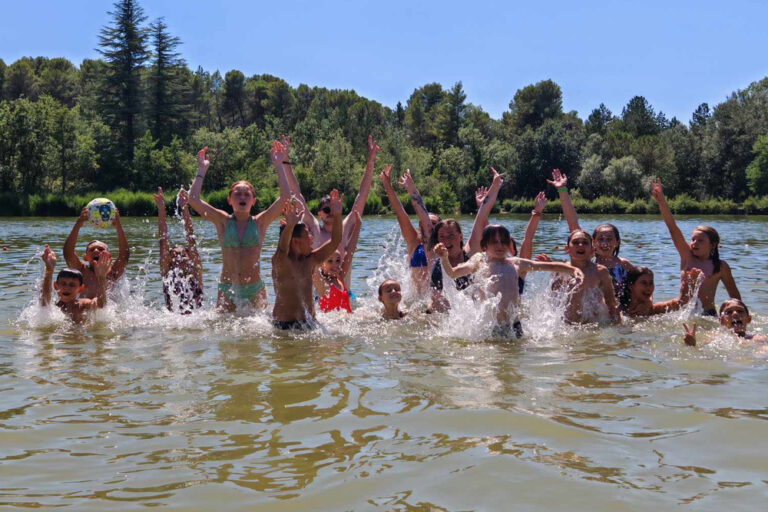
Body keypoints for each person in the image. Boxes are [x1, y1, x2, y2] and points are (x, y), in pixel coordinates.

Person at [435, 225, 583, 338]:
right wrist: (444, 258)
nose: (500, 245)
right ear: (485, 246)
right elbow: (452, 273)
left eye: (503, 242)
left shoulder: (516, 263)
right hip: (490, 327)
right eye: (495, 242)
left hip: (515, 325)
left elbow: (547, 266)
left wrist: (572, 270)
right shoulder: (479, 263)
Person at [189, 147, 284, 311]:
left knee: (259, 331)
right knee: (225, 333)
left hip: (254, 288)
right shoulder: (223, 221)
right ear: (229, 199)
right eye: (237, 194)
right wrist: (202, 169)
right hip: (228, 287)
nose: (242, 197)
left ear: (253, 201)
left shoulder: (260, 222)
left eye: (247, 194)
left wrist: (279, 165)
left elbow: (285, 198)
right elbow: (194, 199)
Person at [271, 135, 379, 251]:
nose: (331, 213)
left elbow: (362, 194)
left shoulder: (346, 228)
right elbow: (296, 195)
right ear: (319, 214)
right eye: (327, 210)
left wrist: (371, 162)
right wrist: (285, 162)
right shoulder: (314, 230)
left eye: (334, 208)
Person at [649, 178, 740, 315]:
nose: (694, 243)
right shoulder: (687, 255)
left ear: (713, 244)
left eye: (700, 240)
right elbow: (672, 228)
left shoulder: (721, 267)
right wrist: (662, 202)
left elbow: (735, 298)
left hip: (707, 314)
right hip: (681, 312)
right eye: (693, 239)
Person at [547, 169, 634, 297]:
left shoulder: (624, 264)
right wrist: (562, 190)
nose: (604, 243)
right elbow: (573, 223)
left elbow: (642, 285)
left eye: (609, 239)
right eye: (600, 239)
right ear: (593, 243)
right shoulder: (588, 261)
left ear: (617, 242)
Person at [429, 167, 504, 312]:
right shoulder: (438, 269)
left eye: (451, 235)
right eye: (442, 237)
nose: (446, 241)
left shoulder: (471, 251)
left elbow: (482, 215)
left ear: (460, 236)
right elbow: (436, 302)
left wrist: (495, 186)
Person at [272, 191, 343, 329]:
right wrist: (290, 226)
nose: (312, 237)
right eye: (308, 234)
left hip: (310, 323)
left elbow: (335, 241)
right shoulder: (281, 262)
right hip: (284, 327)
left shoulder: (311, 259)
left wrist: (338, 215)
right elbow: (282, 248)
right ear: (296, 241)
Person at [379, 165, 440, 294]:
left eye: (433, 223)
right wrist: (387, 185)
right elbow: (400, 213)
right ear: (419, 227)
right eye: (426, 223)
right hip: (415, 299)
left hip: (433, 297)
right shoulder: (414, 242)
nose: (429, 225)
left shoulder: (443, 248)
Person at [62, 204, 130, 299]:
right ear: (85, 257)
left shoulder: (113, 273)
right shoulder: (81, 272)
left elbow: (124, 255)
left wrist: (118, 225)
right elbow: (68, 253)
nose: (96, 251)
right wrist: (79, 223)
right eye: (92, 249)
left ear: (109, 256)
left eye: (101, 249)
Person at [153, 187, 203, 314]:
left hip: (196, 320)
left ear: (190, 257)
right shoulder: (167, 273)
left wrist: (185, 208)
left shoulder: (195, 272)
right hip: (173, 321)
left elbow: (190, 236)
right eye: (174, 254)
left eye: (182, 254)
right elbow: (163, 239)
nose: (178, 257)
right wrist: (161, 209)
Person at [555, 230, 621, 324]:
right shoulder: (561, 271)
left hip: (594, 323)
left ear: (592, 249)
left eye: (585, 242)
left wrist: (619, 326)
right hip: (568, 325)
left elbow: (611, 302)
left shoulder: (600, 271)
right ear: (567, 249)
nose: (580, 245)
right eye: (575, 242)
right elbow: (552, 303)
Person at [40, 244, 109, 323]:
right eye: (63, 284)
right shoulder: (54, 307)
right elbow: (44, 299)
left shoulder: (84, 305)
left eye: (72, 285)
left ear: (81, 288)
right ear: (56, 285)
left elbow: (101, 304)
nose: (67, 287)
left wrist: (101, 278)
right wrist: (49, 271)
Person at [315, 212, 362, 313]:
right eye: (330, 261)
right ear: (321, 265)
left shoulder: (340, 277)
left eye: (338, 260)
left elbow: (350, 251)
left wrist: (357, 226)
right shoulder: (322, 284)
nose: (335, 265)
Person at [619, 266, 701, 317]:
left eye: (651, 283)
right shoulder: (619, 310)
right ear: (631, 286)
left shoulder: (652, 310)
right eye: (644, 283)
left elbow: (681, 303)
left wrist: (690, 283)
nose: (649, 288)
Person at [683, 299, 768, 346]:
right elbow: (700, 352)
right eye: (729, 312)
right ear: (721, 321)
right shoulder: (715, 336)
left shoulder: (757, 338)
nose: (735, 314)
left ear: (748, 319)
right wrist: (692, 344)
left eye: (740, 311)